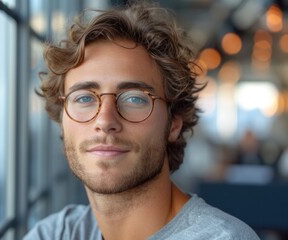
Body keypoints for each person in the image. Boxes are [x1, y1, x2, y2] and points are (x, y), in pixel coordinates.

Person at [24, 1, 260, 239]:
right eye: (84, 98)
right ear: (62, 119)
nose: (105, 120)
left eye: (135, 99)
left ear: (174, 123)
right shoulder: (56, 233)